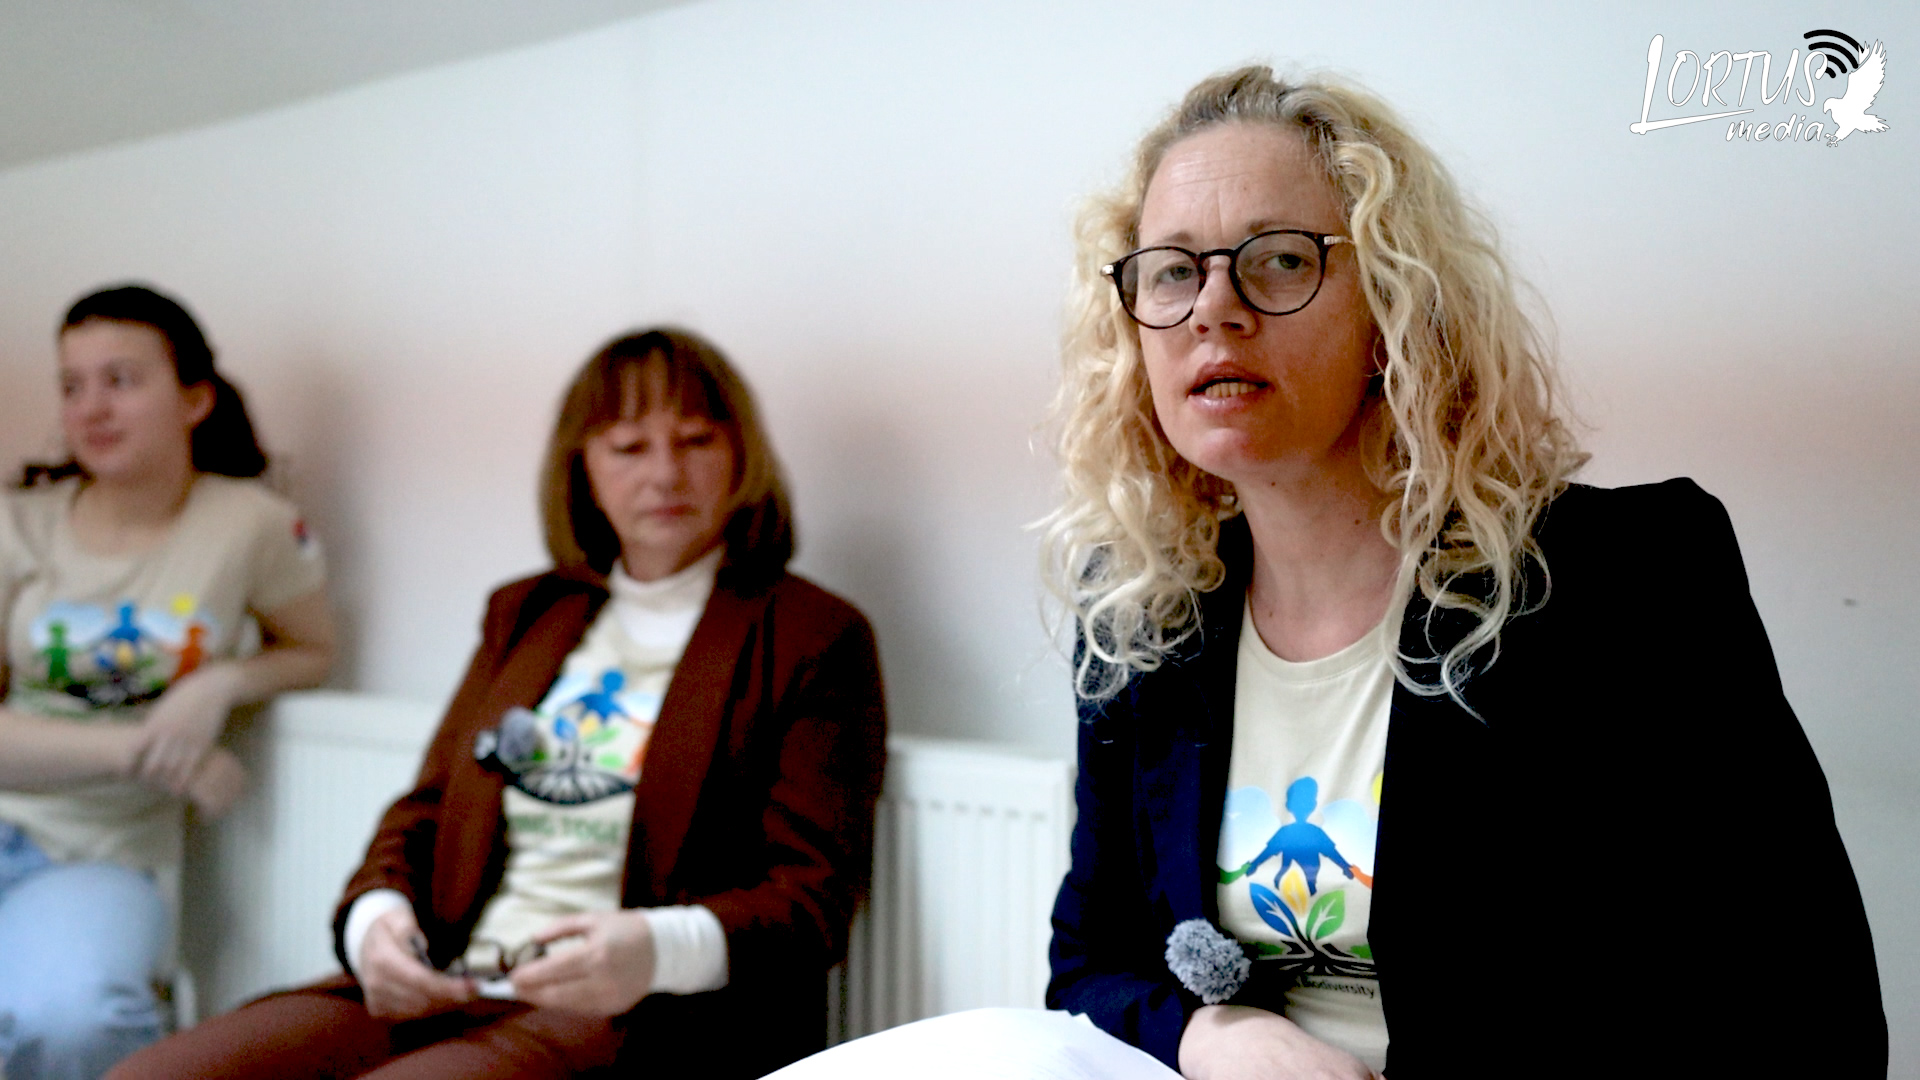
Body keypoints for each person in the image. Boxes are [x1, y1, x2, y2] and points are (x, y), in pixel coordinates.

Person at [1040, 66, 1886, 1078]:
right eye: (1173, 271)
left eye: (1279, 260)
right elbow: (1089, 963)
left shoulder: (1627, 581)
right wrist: (1213, 1035)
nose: (1213, 308)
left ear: (1392, 307)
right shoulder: (1143, 615)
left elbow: (1810, 1010)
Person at [112, 327, 888, 1079]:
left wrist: (655, 948)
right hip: (454, 977)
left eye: (695, 441)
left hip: (641, 1015)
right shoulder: (528, 614)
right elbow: (424, 811)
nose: (664, 474)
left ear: (742, 456)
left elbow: (812, 897)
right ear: (582, 468)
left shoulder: (810, 635)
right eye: (628, 447)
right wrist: (375, 924)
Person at [0, 284, 334, 1080]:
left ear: (195, 398)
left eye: (120, 380)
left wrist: (217, 686)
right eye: (72, 385)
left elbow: (313, 650)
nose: (91, 409)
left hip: (100, 852)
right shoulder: (18, 522)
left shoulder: (251, 525)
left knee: (76, 1018)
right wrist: (151, 752)